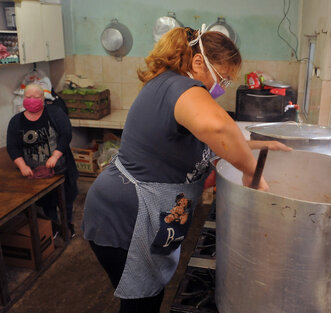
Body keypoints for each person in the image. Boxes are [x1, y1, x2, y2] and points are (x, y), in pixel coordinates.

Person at [81, 26, 291, 313]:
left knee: (148, 298)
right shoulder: (181, 87)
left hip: (138, 212)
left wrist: (260, 147)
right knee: (141, 303)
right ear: (197, 62)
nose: (222, 87)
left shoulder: (175, 89)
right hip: (125, 217)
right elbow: (219, 127)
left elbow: (212, 140)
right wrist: (252, 174)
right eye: (222, 78)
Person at [6, 83, 79, 237]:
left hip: (60, 171)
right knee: (47, 203)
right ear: (23, 99)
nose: (32, 100)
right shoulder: (16, 121)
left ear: (43, 99)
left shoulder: (55, 113)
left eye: (36, 97)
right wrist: (22, 166)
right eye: (28, 97)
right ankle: (53, 227)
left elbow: (66, 135)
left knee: (66, 200)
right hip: (36, 174)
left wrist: (55, 155)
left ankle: (67, 225)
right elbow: (12, 147)